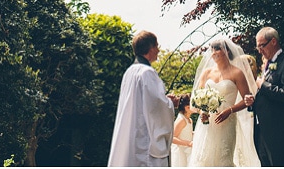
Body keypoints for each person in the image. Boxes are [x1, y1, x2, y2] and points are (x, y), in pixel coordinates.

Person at [108, 31, 178, 167]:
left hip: (130, 131)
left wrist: (163, 100)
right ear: (151, 48)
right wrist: (170, 102)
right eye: (157, 46)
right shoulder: (147, 73)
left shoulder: (130, 72)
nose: (158, 50)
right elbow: (156, 107)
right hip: (143, 135)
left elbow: (150, 100)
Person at [189, 38, 261, 166]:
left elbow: (247, 99)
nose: (214, 53)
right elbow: (197, 98)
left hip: (227, 122)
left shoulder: (237, 73)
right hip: (207, 124)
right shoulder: (206, 73)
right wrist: (202, 112)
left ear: (227, 51)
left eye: (218, 49)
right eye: (212, 50)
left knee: (224, 159)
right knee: (203, 159)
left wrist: (230, 110)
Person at [243, 27, 284, 167]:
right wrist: (252, 102)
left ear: (273, 41)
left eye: (261, 45)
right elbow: (266, 96)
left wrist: (262, 85)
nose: (259, 50)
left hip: (280, 133)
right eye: (258, 47)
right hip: (263, 131)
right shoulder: (267, 66)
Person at [171, 94, 194, 166]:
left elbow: (187, 133)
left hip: (187, 151)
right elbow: (173, 138)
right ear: (187, 107)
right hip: (180, 153)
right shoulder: (181, 120)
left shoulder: (189, 120)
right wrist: (188, 143)